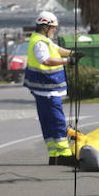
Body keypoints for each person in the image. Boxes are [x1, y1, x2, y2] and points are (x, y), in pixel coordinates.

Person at [23, 11, 76, 165]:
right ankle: (64, 154)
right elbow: (46, 60)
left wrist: (73, 53)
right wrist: (67, 61)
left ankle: (54, 155)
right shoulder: (39, 43)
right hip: (47, 89)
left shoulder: (42, 40)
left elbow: (57, 49)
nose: (54, 30)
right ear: (45, 27)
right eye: (53, 27)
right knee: (57, 120)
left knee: (47, 121)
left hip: (43, 89)